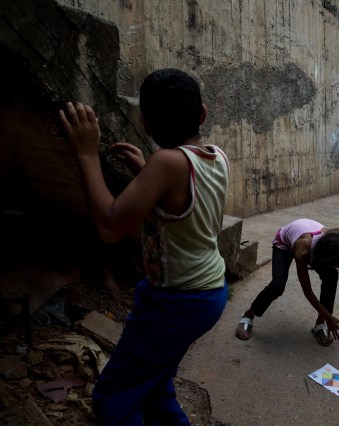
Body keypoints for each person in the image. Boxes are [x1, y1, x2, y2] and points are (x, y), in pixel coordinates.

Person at [59, 68, 229, 425]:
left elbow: (108, 226)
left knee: (114, 395)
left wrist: (88, 155)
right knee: (155, 379)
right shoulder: (215, 156)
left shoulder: (166, 163)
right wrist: (143, 170)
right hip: (209, 293)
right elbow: (181, 206)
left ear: (145, 123)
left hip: (176, 302)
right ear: (201, 114)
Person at [234, 218, 339, 346]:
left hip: (312, 245)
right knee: (277, 286)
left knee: (331, 275)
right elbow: (307, 292)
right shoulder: (303, 251)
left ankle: (320, 325)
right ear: (329, 259)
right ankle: (248, 316)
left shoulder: (336, 243)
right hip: (284, 244)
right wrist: (329, 316)